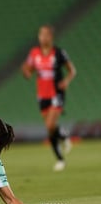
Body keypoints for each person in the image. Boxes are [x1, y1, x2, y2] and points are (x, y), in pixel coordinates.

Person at [21, 25, 76, 172]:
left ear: (51, 37)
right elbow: (29, 70)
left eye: (46, 35)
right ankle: (60, 157)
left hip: (56, 93)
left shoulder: (58, 53)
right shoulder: (34, 53)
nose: (43, 37)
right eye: (41, 35)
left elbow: (72, 70)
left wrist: (66, 81)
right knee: (49, 129)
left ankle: (63, 139)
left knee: (50, 125)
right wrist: (26, 72)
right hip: (42, 94)